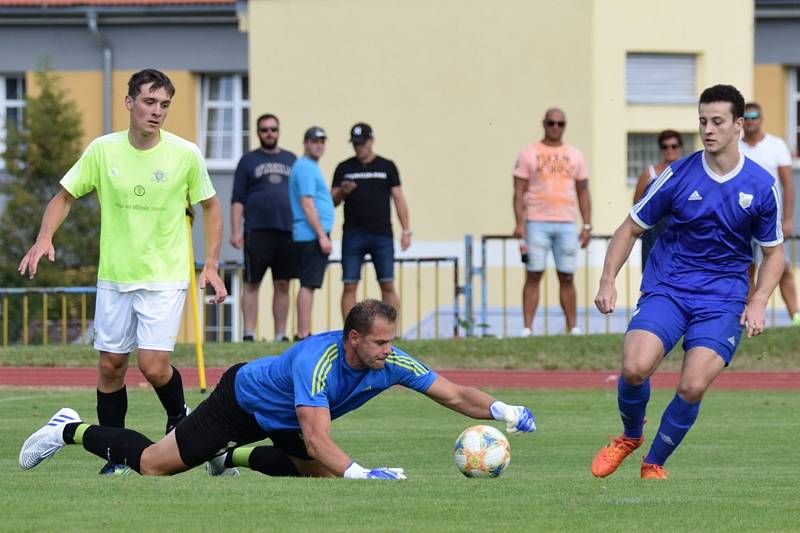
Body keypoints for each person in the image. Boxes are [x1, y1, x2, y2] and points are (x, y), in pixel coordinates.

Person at [19, 299, 536, 480]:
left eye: (391, 342)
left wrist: (503, 409)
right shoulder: (318, 360)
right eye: (380, 343)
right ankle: (69, 428)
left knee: (318, 474)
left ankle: (230, 459)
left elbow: (452, 394)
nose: (388, 351)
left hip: (283, 419)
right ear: (353, 338)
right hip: (240, 401)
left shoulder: (388, 361)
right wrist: (363, 473)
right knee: (155, 464)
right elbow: (317, 437)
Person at [17, 69, 228, 475]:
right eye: (149, 102)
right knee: (111, 367)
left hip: (164, 276)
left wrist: (213, 265)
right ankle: (115, 458)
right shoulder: (103, 150)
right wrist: (44, 238)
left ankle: (178, 416)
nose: (157, 112)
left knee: (151, 365)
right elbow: (64, 197)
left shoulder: (185, 154)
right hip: (114, 277)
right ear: (129, 102)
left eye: (164, 105)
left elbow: (212, 207)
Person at [591, 85, 784, 480]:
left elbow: (774, 253)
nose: (708, 130)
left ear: (738, 126)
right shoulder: (677, 175)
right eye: (702, 121)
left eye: (717, 122)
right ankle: (630, 436)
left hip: (723, 298)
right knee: (634, 368)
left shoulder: (761, 186)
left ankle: (654, 463)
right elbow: (629, 229)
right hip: (670, 288)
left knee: (693, 385)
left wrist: (759, 300)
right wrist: (607, 280)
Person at [513, 108, 592, 336]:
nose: (555, 127)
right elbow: (518, 192)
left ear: (565, 126)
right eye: (551, 123)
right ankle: (527, 328)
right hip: (536, 221)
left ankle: (572, 326)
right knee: (533, 273)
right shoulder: (529, 153)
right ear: (544, 124)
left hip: (567, 222)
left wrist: (586, 224)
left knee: (567, 275)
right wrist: (519, 223)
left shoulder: (576, 155)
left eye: (560, 124)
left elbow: (583, 192)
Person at [331, 123, 412, 321]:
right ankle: (349, 332)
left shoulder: (386, 166)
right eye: (355, 144)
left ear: (371, 140)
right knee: (350, 284)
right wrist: (343, 191)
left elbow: (399, 197)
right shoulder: (344, 167)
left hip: (382, 234)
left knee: (387, 284)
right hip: (353, 234)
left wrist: (406, 230)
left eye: (362, 143)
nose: (359, 147)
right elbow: (332, 200)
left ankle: (390, 332)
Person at [230, 114, 297, 342]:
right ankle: (248, 333)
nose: (269, 133)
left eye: (273, 129)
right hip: (256, 230)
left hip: (286, 230)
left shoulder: (291, 159)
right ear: (258, 132)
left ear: (279, 131)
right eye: (264, 129)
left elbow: (301, 197)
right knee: (252, 282)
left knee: (283, 284)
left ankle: (280, 334)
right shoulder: (248, 161)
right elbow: (237, 198)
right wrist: (235, 231)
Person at [739, 101, 800, 326]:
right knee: (748, 269)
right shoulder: (736, 146)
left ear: (761, 119)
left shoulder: (776, 145)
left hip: (770, 220)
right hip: (743, 219)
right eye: (747, 116)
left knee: (781, 267)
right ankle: (751, 317)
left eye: (755, 116)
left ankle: (796, 316)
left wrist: (788, 218)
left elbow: (788, 185)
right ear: (741, 121)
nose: (751, 120)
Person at [289, 126, 335, 340]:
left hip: (311, 234)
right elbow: (307, 203)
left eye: (322, 141)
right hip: (310, 235)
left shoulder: (309, 167)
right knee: (308, 284)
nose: (319, 145)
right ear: (305, 143)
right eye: (314, 141)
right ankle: (303, 332)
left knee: (310, 284)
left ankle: (304, 331)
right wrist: (321, 235)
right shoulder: (306, 167)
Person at [632, 130, 684, 270]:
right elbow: (637, 204)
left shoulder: (687, 172)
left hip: (680, 233)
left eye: (673, 146)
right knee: (651, 278)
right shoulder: (650, 173)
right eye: (665, 146)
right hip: (653, 234)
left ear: (680, 147)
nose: (669, 150)